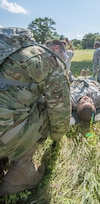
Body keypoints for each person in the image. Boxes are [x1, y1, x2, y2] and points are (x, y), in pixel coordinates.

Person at [0, 33, 71, 196]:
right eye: (64, 53)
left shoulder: (12, 54)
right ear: (56, 49)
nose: (65, 58)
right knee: (46, 109)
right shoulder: (50, 60)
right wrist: (57, 139)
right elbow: (61, 113)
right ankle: (21, 173)